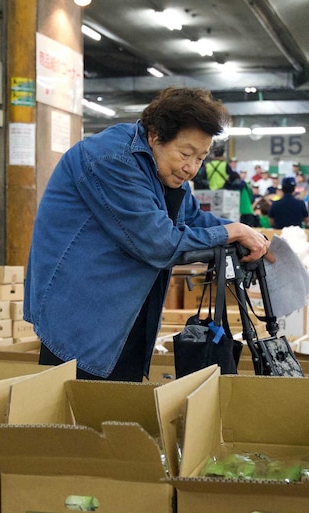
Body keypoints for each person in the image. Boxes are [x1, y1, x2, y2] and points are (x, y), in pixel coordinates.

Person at [24, 87, 271, 381]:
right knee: (77, 412)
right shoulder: (111, 160)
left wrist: (244, 233)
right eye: (185, 154)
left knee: (115, 413)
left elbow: (192, 218)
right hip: (82, 313)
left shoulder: (160, 167)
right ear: (155, 136)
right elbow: (159, 244)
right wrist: (230, 232)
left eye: (201, 158)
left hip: (122, 312)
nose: (191, 168)